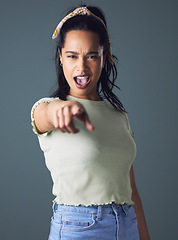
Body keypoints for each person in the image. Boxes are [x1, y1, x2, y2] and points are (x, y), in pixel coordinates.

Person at [31, 5, 150, 240]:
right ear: (61, 58)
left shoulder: (118, 115)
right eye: (72, 56)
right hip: (80, 229)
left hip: (127, 226)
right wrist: (61, 109)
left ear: (104, 58)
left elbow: (130, 189)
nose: (81, 67)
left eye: (92, 56)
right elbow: (43, 115)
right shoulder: (50, 107)